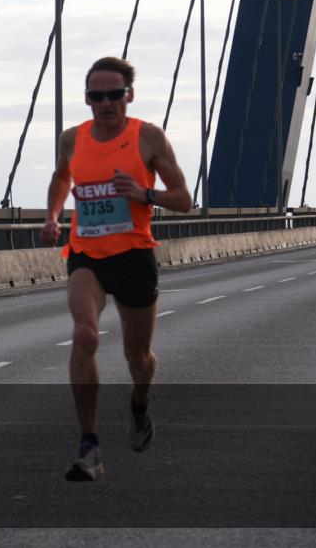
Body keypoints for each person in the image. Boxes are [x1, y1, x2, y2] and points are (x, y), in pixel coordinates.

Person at [40, 56, 192, 481]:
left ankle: (140, 402)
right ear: (86, 99)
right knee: (84, 334)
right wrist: (53, 216)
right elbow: (61, 178)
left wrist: (146, 193)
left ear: (129, 95)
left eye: (114, 95)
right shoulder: (73, 138)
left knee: (136, 355)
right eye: (96, 96)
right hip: (86, 254)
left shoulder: (148, 138)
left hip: (134, 255)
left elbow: (184, 199)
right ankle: (90, 448)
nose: (105, 104)